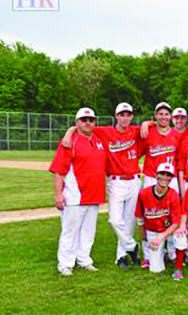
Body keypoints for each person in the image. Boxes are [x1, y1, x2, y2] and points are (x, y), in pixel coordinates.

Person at [60, 102, 143, 270]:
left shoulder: (136, 130)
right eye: (122, 114)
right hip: (116, 181)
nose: (125, 117)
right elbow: (80, 127)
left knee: (129, 221)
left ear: (132, 116)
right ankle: (131, 245)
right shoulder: (105, 131)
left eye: (128, 114)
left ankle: (121, 256)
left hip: (134, 180)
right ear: (116, 116)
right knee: (114, 219)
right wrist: (68, 134)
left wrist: (148, 123)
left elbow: (155, 124)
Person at [49, 108, 107, 276]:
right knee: (70, 230)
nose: (88, 122)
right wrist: (58, 195)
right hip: (75, 195)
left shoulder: (98, 139)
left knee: (89, 231)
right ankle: (65, 264)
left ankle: (84, 260)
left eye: (91, 119)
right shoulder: (69, 142)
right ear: (77, 123)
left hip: (94, 194)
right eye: (84, 119)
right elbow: (59, 171)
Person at [141, 102, 182, 267]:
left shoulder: (176, 135)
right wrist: (146, 123)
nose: (164, 117)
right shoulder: (147, 132)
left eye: (167, 114)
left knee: (172, 214)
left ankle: (171, 251)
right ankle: (146, 254)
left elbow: (179, 159)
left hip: (170, 177)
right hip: (152, 177)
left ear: (170, 117)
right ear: (155, 116)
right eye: (160, 114)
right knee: (148, 215)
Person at [135, 163, 181, 274]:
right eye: (162, 174)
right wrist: (143, 233)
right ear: (156, 175)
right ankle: (158, 254)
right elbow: (140, 216)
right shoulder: (144, 193)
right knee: (156, 269)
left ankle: (172, 254)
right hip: (152, 231)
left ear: (171, 179)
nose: (165, 177)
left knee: (180, 238)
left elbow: (176, 223)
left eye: (168, 175)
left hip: (169, 231)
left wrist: (162, 236)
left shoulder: (173, 195)